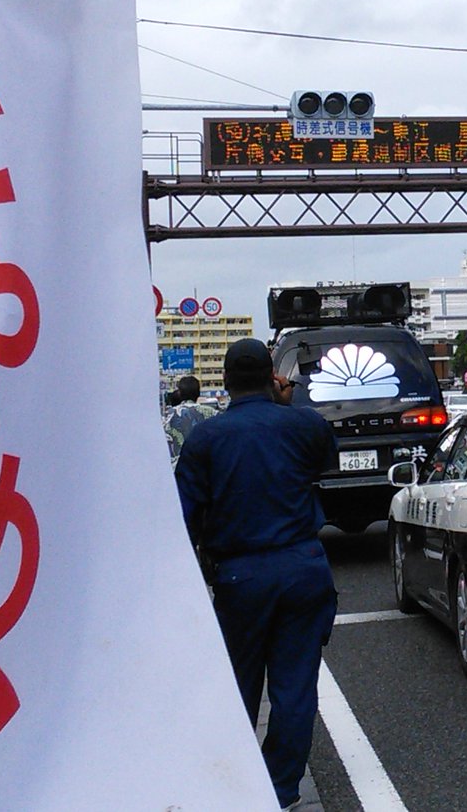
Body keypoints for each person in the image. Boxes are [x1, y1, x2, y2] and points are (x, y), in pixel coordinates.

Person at [175, 338, 338, 810]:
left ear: (224, 381)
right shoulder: (304, 425)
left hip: (239, 576)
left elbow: (185, 515)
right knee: (294, 687)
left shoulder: (206, 439)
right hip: (302, 566)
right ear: (272, 376)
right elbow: (323, 461)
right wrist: (286, 403)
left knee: (237, 688)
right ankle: (282, 790)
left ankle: (237, 786)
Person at [164, 375, 218, 466]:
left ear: (179, 393)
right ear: (198, 393)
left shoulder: (167, 415)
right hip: (206, 470)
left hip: (176, 470)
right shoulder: (213, 414)